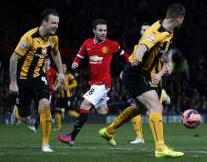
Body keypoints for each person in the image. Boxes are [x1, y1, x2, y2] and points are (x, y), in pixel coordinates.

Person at [99, 3, 186, 158]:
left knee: (139, 108)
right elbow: (145, 44)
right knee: (156, 106)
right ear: (179, 18)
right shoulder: (157, 31)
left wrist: (164, 66)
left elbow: (161, 51)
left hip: (143, 74)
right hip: (135, 73)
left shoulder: (168, 30)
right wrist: (138, 55)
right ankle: (160, 147)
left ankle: (109, 131)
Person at [57, 19, 129, 145]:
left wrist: (127, 69)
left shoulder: (112, 45)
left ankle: (72, 137)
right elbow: (80, 55)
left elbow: (127, 57)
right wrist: (75, 62)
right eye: (100, 30)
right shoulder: (87, 43)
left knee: (84, 105)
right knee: (103, 110)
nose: (103, 33)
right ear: (94, 31)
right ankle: (129, 104)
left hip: (103, 82)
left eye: (105, 30)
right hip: (94, 82)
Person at [9, 8, 65, 152]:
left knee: (45, 104)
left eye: (57, 23)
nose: (56, 26)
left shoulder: (53, 38)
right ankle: (18, 111)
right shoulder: (29, 37)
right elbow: (14, 58)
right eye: (53, 23)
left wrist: (61, 72)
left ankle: (45, 144)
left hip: (39, 76)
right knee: (25, 118)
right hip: (23, 80)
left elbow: (56, 54)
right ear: (44, 23)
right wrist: (13, 83)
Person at [129, 23, 171, 144]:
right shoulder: (138, 46)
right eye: (142, 29)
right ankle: (141, 137)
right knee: (136, 106)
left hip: (154, 79)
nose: (144, 31)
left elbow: (165, 60)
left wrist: (160, 73)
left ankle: (159, 144)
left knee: (151, 110)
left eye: (146, 29)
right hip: (140, 78)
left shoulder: (157, 43)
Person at [54, 63, 79, 131]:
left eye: (64, 67)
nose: (63, 68)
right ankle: (59, 127)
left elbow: (75, 84)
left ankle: (80, 118)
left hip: (67, 97)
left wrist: (68, 87)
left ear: (66, 68)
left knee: (69, 112)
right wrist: (56, 86)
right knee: (57, 112)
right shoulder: (58, 76)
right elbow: (55, 85)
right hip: (60, 97)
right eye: (62, 67)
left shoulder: (69, 75)